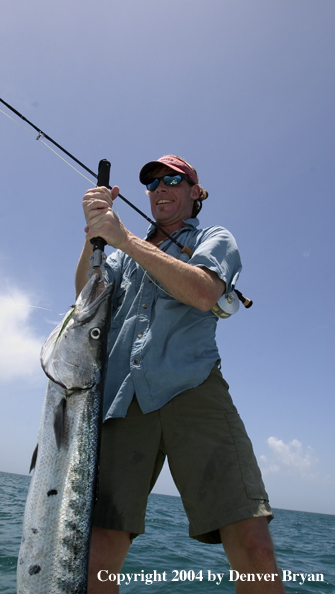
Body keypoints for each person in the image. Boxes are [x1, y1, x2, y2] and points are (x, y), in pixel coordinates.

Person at [75, 155, 285, 593]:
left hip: (194, 389)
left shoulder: (213, 236)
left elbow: (204, 292)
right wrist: (95, 231)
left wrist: (125, 238)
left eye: (172, 179)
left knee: (253, 546)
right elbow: (85, 296)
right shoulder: (124, 251)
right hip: (121, 398)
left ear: (195, 191)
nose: (160, 188)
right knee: (97, 552)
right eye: (152, 183)